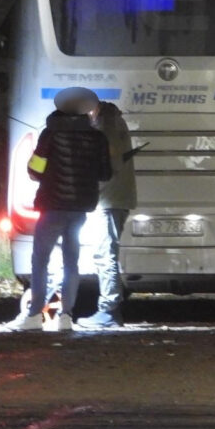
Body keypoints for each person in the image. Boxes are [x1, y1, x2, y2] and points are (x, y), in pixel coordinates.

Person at [6, 87, 112, 331]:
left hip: (52, 205)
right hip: (80, 209)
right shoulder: (97, 138)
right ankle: (66, 316)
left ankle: (34, 316)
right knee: (71, 262)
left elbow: (35, 170)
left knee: (40, 261)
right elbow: (105, 173)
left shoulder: (50, 135)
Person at [76, 99, 138, 329]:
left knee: (105, 255)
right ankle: (110, 309)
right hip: (115, 200)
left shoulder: (105, 129)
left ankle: (108, 311)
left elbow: (103, 165)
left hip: (108, 200)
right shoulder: (116, 125)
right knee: (107, 254)